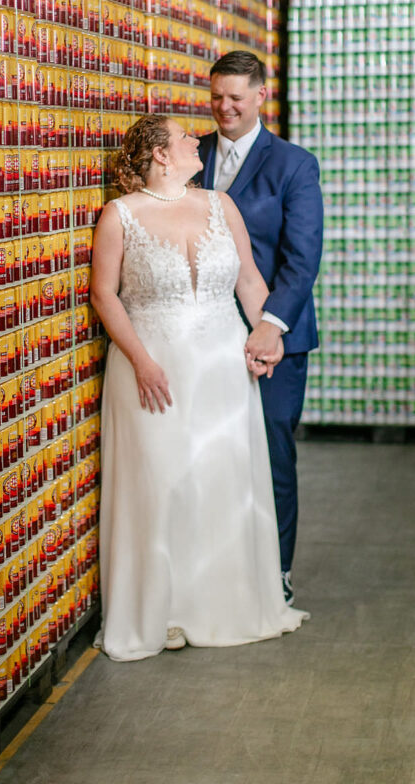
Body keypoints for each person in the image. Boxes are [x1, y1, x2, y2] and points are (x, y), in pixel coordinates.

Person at [91, 114, 307, 661]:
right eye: (187, 137)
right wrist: (140, 360)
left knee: (221, 481)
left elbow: (251, 281)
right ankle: (162, 610)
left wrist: (265, 335)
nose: (198, 141)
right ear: (162, 155)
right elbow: (105, 296)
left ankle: (223, 603)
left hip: (221, 367)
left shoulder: (219, 205)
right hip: (152, 369)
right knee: (161, 484)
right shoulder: (119, 215)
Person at [197, 51, 323, 606]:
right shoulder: (190, 155)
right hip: (203, 333)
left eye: (236, 98)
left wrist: (271, 326)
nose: (224, 108)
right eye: (217, 97)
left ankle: (276, 571)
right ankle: (219, 567)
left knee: (272, 451)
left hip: (274, 337)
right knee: (211, 452)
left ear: (259, 97)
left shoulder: (293, 164)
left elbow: (302, 257)